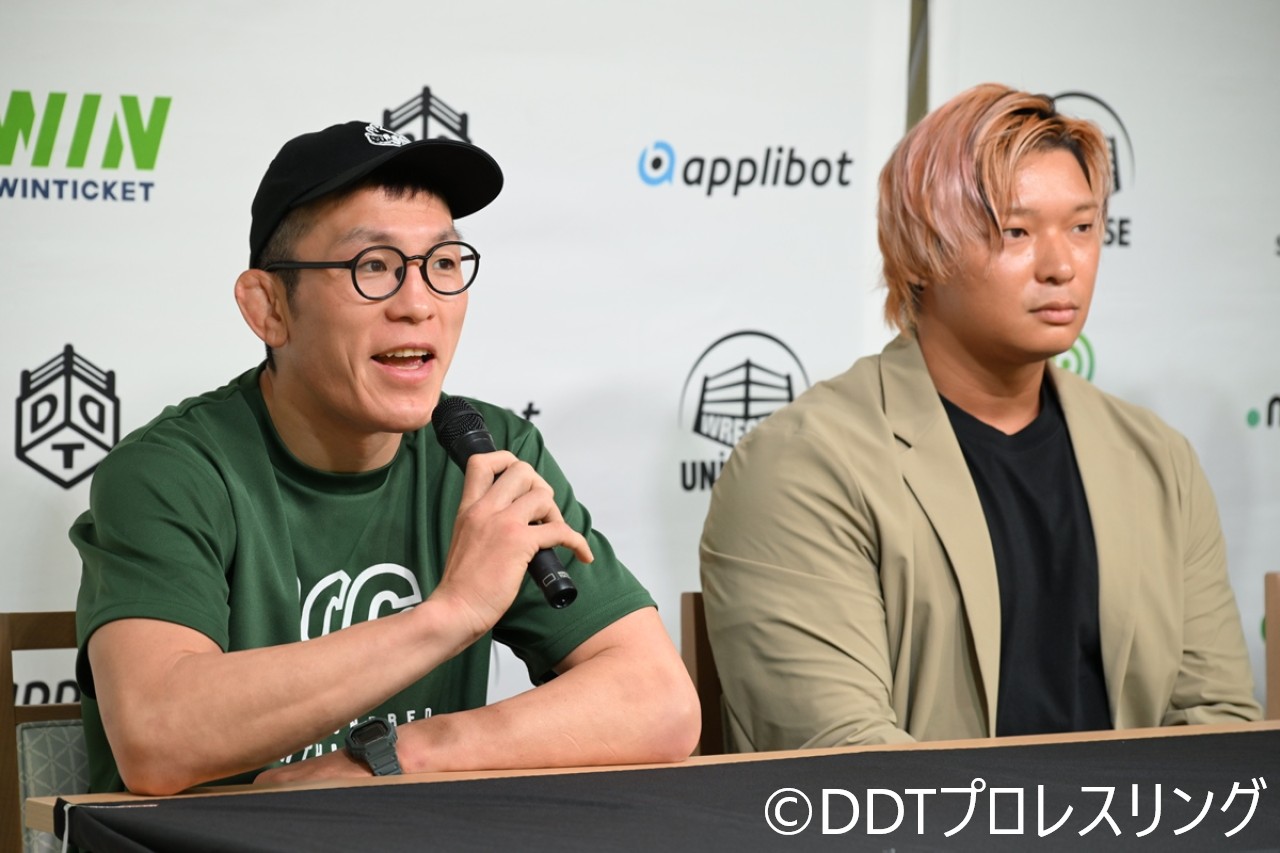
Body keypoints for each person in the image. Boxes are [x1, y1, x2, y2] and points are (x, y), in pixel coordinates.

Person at [72, 121, 700, 794]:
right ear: (268, 307)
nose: (419, 304)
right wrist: (450, 613)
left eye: (444, 264)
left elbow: (659, 701)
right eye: (372, 266)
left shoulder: (486, 451)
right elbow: (158, 736)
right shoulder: (173, 472)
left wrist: (395, 757)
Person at [699, 84, 1261, 753]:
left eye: (1082, 228)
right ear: (924, 249)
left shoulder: (1158, 459)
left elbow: (1218, 725)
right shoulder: (801, 465)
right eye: (1016, 232)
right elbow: (846, 761)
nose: (1062, 266)